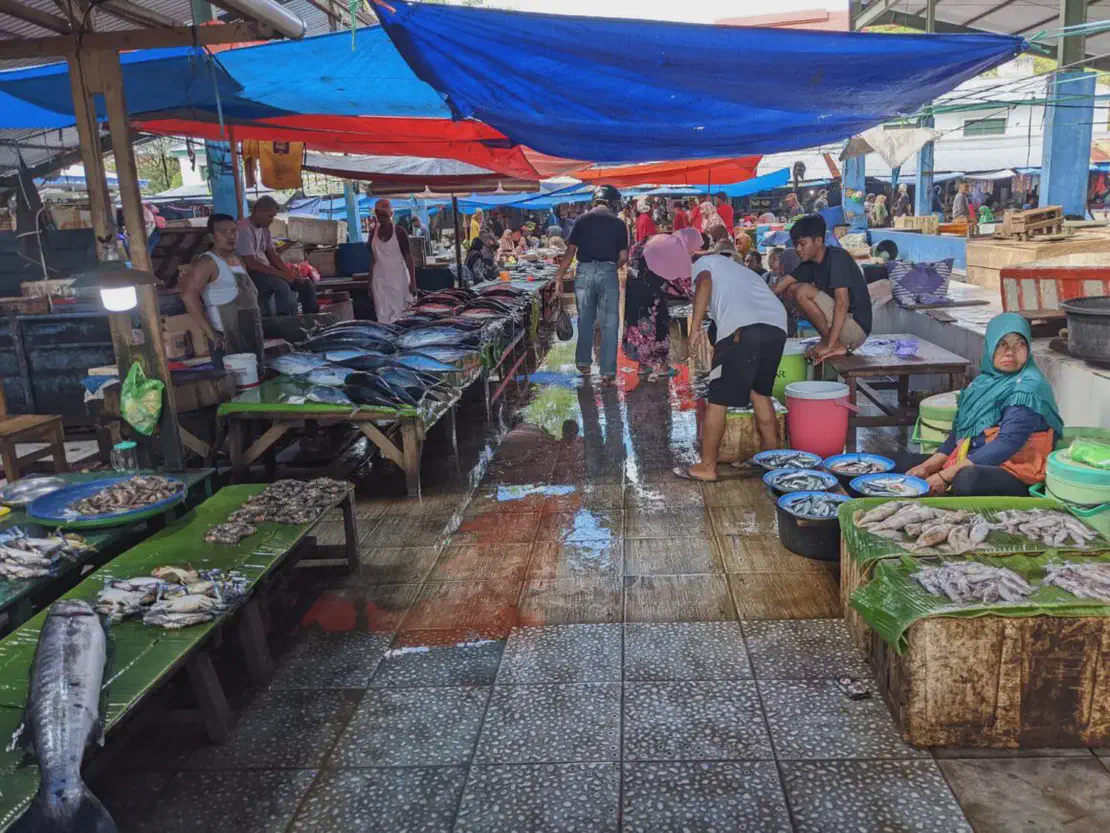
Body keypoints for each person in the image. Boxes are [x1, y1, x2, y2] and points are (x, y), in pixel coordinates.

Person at [895, 313, 1063, 497]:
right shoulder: (983, 383)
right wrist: (927, 467)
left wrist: (944, 476)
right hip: (975, 457)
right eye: (1001, 344)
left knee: (966, 479)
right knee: (897, 463)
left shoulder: (1028, 388)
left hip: (1015, 471)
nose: (1010, 352)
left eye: (1019, 344)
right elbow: (960, 433)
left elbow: (1006, 444)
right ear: (990, 346)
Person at [672, 239, 788, 481]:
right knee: (759, 393)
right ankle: (774, 460)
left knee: (718, 399)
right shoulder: (742, 272)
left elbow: (704, 284)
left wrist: (694, 330)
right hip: (777, 326)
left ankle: (707, 466)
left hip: (743, 329)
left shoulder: (704, 263)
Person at [554, 184, 629, 384]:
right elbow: (623, 256)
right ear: (612, 203)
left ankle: (583, 363)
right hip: (608, 272)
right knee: (610, 322)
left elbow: (570, 251)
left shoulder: (581, 220)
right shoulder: (619, 224)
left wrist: (559, 277)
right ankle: (607, 371)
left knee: (585, 319)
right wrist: (611, 266)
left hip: (584, 272)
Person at [774, 213, 872, 362]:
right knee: (791, 289)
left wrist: (830, 344)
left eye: (802, 243)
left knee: (802, 291)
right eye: (795, 245)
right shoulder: (810, 264)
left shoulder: (837, 257)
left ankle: (833, 344)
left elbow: (842, 303)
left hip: (856, 328)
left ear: (818, 240)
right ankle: (830, 341)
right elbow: (779, 287)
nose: (798, 249)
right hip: (841, 325)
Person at [179, 214, 263, 369]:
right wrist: (211, 333)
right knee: (234, 384)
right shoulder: (207, 262)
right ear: (212, 237)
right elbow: (188, 295)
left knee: (255, 377)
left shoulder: (237, 259)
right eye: (223, 232)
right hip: (225, 337)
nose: (231, 236)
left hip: (249, 329)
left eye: (234, 231)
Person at [237, 196, 319, 317]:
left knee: (306, 283)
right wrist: (281, 274)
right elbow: (251, 263)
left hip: (265, 269)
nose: (272, 220)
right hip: (251, 273)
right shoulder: (244, 228)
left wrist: (288, 272)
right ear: (258, 212)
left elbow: (272, 254)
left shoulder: (264, 229)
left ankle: (311, 319)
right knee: (282, 287)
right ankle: (284, 324)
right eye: (270, 216)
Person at [623, 234, 677, 381]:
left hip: (634, 292)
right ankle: (663, 367)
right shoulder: (660, 250)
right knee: (659, 325)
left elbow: (632, 270)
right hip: (653, 291)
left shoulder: (636, 249)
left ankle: (643, 366)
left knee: (638, 328)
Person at [366, 198, 416, 324]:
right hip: (379, 282)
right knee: (382, 317)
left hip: (399, 281)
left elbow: (408, 257)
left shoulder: (399, 232)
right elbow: (373, 259)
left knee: (402, 316)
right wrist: (370, 282)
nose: (381, 216)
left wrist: (413, 282)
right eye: (378, 213)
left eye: (384, 213)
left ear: (390, 214)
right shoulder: (372, 234)